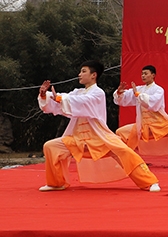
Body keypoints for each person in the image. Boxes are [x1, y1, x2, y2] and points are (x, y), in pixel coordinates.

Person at [37, 60, 160, 192]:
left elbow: (81, 102)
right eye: (80, 71)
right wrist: (46, 96)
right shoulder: (77, 92)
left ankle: (149, 182)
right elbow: (63, 100)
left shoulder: (97, 93)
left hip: (100, 138)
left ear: (93, 75)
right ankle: (56, 183)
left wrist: (60, 99)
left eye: (83, 71)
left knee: (125, 152)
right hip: (78, 140)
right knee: (51, 146)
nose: (79, 74)